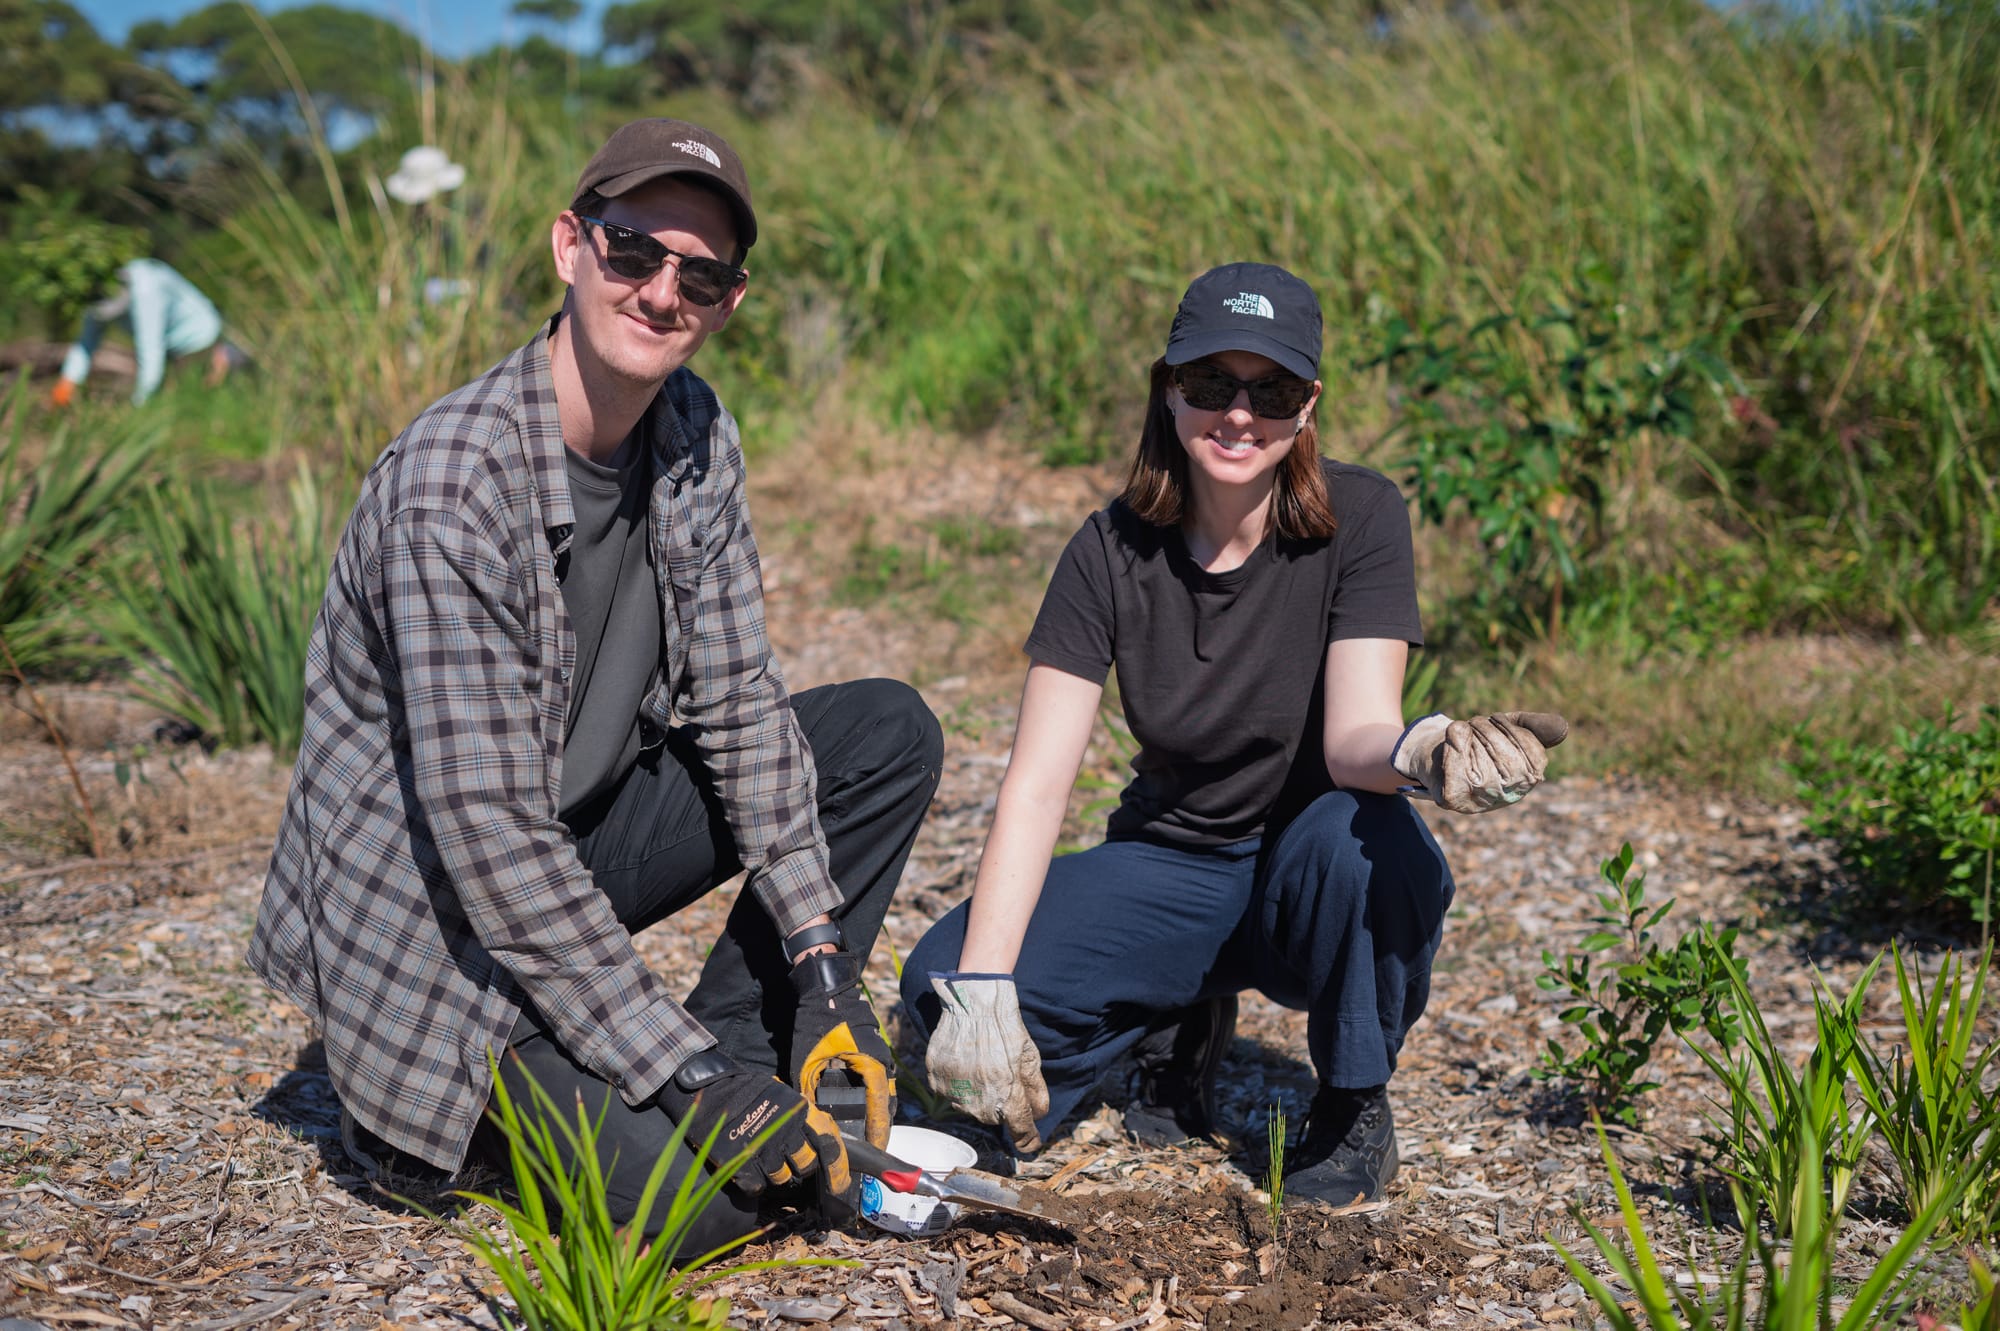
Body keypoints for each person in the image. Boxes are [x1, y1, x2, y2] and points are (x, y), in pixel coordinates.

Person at [248, 118, 942, 1252]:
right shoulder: (454, 482)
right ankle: (420, 1121)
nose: (662, 292)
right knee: (718, 1210)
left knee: (884, 731)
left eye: (699, 275)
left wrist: (821, 965)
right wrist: (689, 1075)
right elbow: (487, 836)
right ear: (571, 245)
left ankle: (748, 1058)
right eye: (633, 250)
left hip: (569, 845)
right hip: (439, 923)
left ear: (728, 301)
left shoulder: (693, 428)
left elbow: (739, 704)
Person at [899, 262, 1566, 1208]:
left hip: (1311, 871)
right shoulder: (1109, 548)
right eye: (1212, 383)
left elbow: (1356, 737)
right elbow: (1037, 785)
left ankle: (1354, 1103)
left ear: (1309, 404)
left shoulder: (1363, 516)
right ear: (1170, 389)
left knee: (1374, 845)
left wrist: (1424, 751)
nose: (1240, 415)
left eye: (1273, 391)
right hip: (1174, 861)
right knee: (937, 986)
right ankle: (1169, 1014)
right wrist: (983, 986)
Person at [50, 258, 247, 407]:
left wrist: (139, 405)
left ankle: (235, 360)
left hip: (199, 337)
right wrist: (67, 383)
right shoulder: (96, 292)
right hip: (171, 347)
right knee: (175, 396)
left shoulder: (146, 291)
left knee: (202, 397)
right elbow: (86, 342)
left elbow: (150, 350)